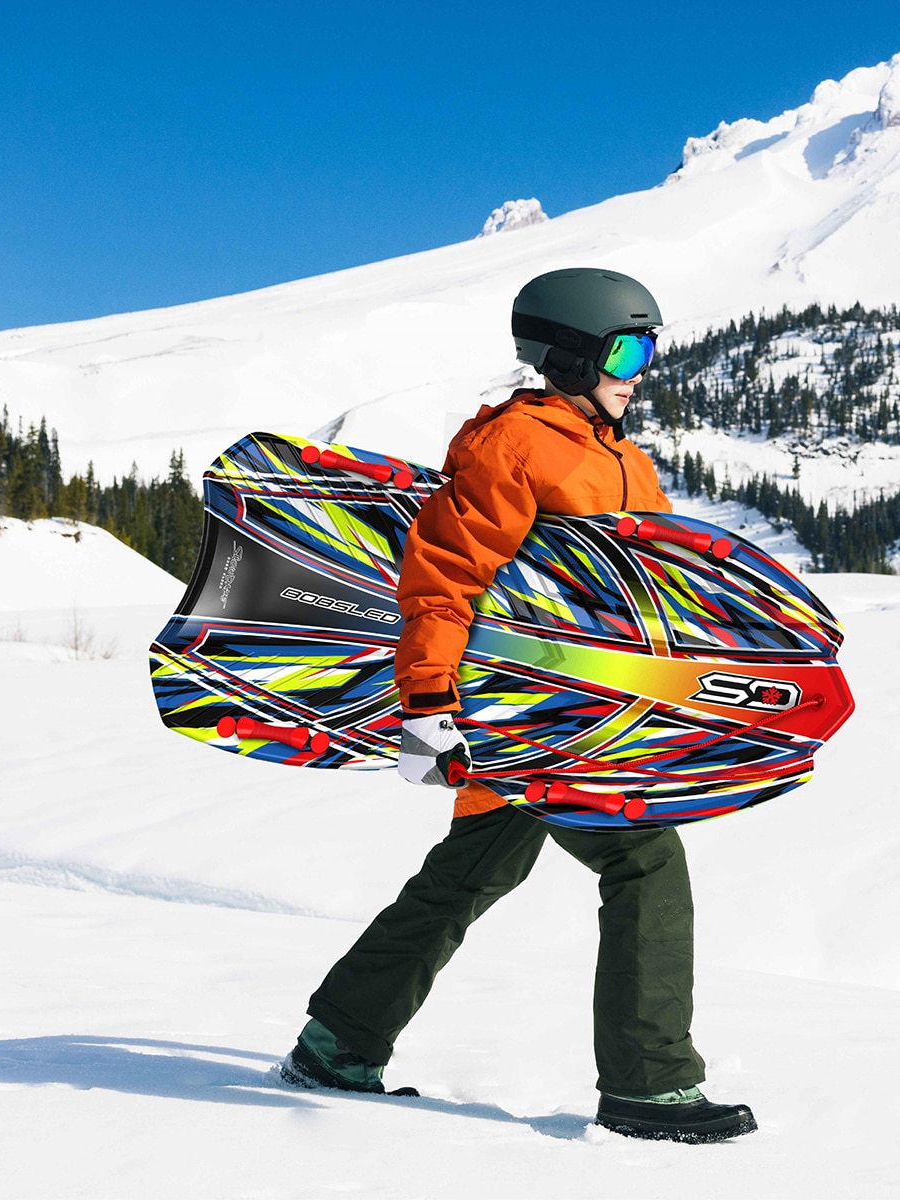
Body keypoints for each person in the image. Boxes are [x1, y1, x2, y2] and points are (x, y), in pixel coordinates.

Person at [280, 268, 757, 1143]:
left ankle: (336, 1043)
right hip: (515, 711)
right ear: (568, 354)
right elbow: (442, 575)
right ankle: (648, 1085)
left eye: (648, 349)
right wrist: (427, 698)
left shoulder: (627, 458)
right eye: (624, 349)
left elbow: (645, 594)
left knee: (472, 871)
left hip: (584, 709)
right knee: (644, 861)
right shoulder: (514, 444)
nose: (638, 369)